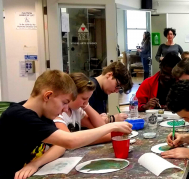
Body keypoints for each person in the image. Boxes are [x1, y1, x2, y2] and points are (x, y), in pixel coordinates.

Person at [0, 70, 132, 178]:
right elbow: (69, 141)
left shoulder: (42, 113)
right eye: (64, 102)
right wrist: (112, 126)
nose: (65, 109)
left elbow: (60, 145)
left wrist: (35, 164)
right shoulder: (20, 115)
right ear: (47, 96)